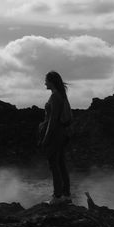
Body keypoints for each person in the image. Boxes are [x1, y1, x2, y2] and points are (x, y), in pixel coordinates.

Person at [39, 70, 72, 203]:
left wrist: (45, 139)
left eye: (46, 80)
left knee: (54, 165)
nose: (44, 83)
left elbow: (52, 120)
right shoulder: (61, 96)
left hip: (55, 135)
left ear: (51, 82)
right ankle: (66, 195)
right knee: (61, 164)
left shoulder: (55, 97)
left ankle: (57, 196)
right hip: (62, 134)